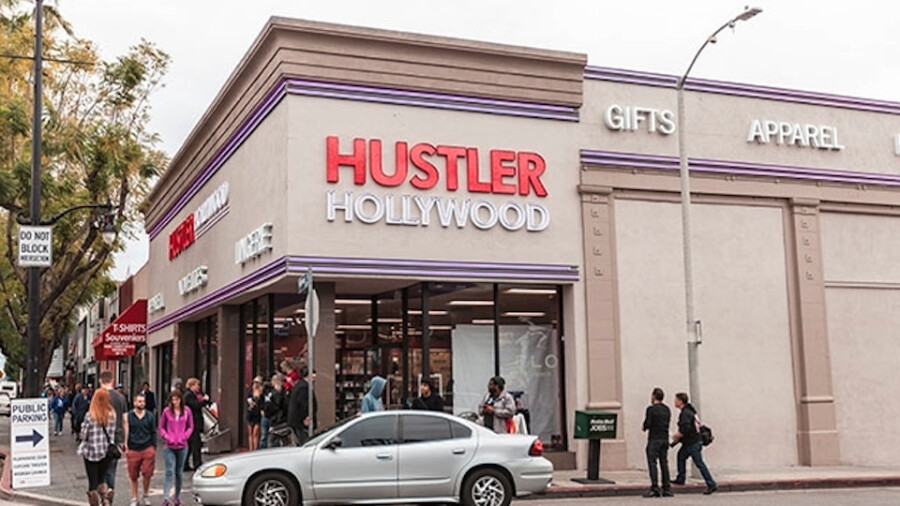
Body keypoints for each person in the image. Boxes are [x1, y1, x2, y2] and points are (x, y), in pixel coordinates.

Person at [671, 392, 717, 494]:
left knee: (699, 463)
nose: (674, 401)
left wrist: (677, 436)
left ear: (680, 401)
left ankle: (711, 484)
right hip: (691, 442)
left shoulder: (685, 413)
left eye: (676, 400)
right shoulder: (690, 411)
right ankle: (680, 478)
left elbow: (686, 428)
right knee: (681, 456)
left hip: (693, 442)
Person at [77, 387, 116, 506]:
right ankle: (106, 497)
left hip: (91, 452)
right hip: (106, 451)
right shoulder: (112, 415)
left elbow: (84, 435)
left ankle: (95, 502)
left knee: (92, 482)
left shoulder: (90, 416)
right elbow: (112, 434)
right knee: (102, 477)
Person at [159, 390, 193, 506]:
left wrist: (185, 436)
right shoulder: (166, 411)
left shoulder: (187, 411)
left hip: (182, 446)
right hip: (169, 446)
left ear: (180, 400)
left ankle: (177, 497)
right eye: (173, 400)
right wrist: (166, 437)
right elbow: (161, 427)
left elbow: (190, 426)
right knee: (169, 471)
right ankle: (165, 497)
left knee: (179, 472)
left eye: (177, 400)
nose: (175, 402)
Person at [99, 370, 128, 505]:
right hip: (116, 438)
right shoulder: (121, 398)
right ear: (112, 380)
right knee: (111, 470)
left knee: (100, 470)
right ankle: (109, 496)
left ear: (100, 381)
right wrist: (125, 441)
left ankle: (103, 495)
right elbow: (125, 420)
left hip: (100, 438)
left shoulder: (98, 396)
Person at [126, 393, 156, 506]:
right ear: (134, 402)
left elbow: (153, 432)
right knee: (133, 475)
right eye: (139, 401)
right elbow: (126, 431)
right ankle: (134, 497)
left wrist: (153, 447)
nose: (141, 403)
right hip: (133, 449)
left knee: (147, 474)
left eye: (143, 401)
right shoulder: (129, 416)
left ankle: (146, 495)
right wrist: (126, 446)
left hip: (147, 448)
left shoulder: (150, 416)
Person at [642, 387, 673, 498]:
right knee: (664, 463)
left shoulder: (651, 409)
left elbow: (648, 423)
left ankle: (655, 488)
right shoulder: (667, 409)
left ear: (654, 396)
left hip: (654, 439)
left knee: (652, 463)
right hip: (664, 438)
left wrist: (644, 427)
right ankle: (666, 488)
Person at [183, 378, 209, 470]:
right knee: (195, 444)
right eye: (197, 385)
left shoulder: (193, 395)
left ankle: (185, 463)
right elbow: (196, 405)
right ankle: (197, 463)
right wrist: (204, 401)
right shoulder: (189, 395)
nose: (199, 387)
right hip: (192, 422)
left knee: (191, 445)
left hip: (193, 422)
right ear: (192, 385)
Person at [287, 366, 317, 445]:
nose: (314, 379)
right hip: (301, 421)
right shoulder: (303, 387)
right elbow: (303, 404)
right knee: (304, 441)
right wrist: (305, 417)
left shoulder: (301, 385)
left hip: (300, 420)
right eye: (313, 376)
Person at [264, 373, 289, 448]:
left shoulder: (274, 394)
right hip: (281, 419)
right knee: (283, 439)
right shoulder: (285, 393)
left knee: (271, 440)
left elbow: (270, 406)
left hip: (277, 420)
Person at [246, 377, 264, 450]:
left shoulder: (261, 394)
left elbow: (262, 404)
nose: (255, 384)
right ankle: (251, 448)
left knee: (256, 433)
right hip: (250, 413)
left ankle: (255, 448)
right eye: (254, 382)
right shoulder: (250, 393)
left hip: (257, 414)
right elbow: (248, 401)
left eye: (257, 383)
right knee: (250, 433)